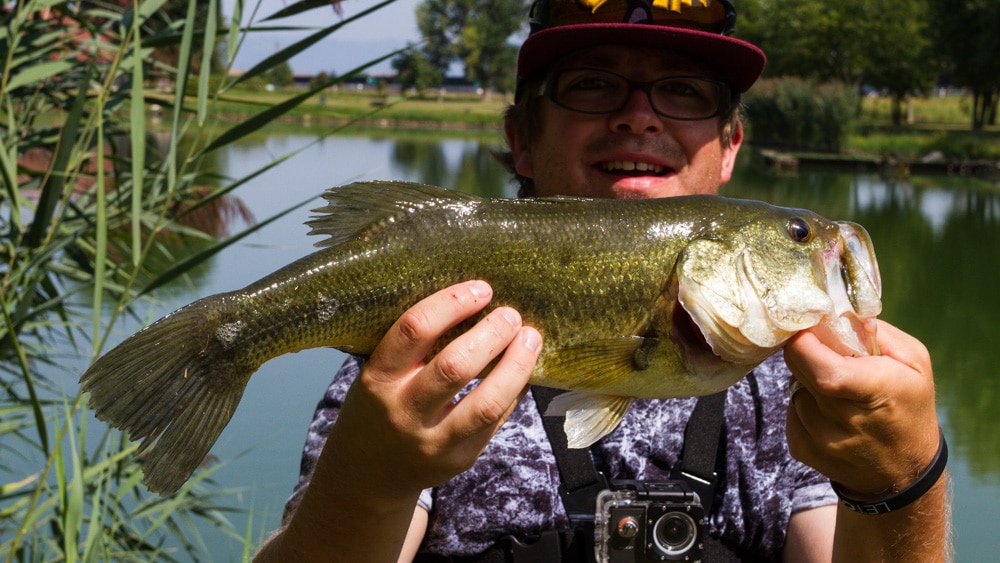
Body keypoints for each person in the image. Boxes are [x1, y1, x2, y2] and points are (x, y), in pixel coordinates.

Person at [254, 0, 950, 560]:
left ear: (732, 145)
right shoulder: (421, 359)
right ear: (521, 138)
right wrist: (368, 481)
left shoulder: (803, 399)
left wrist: (903, 482)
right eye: (592, 84)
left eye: (682, 90)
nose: (638, 114)